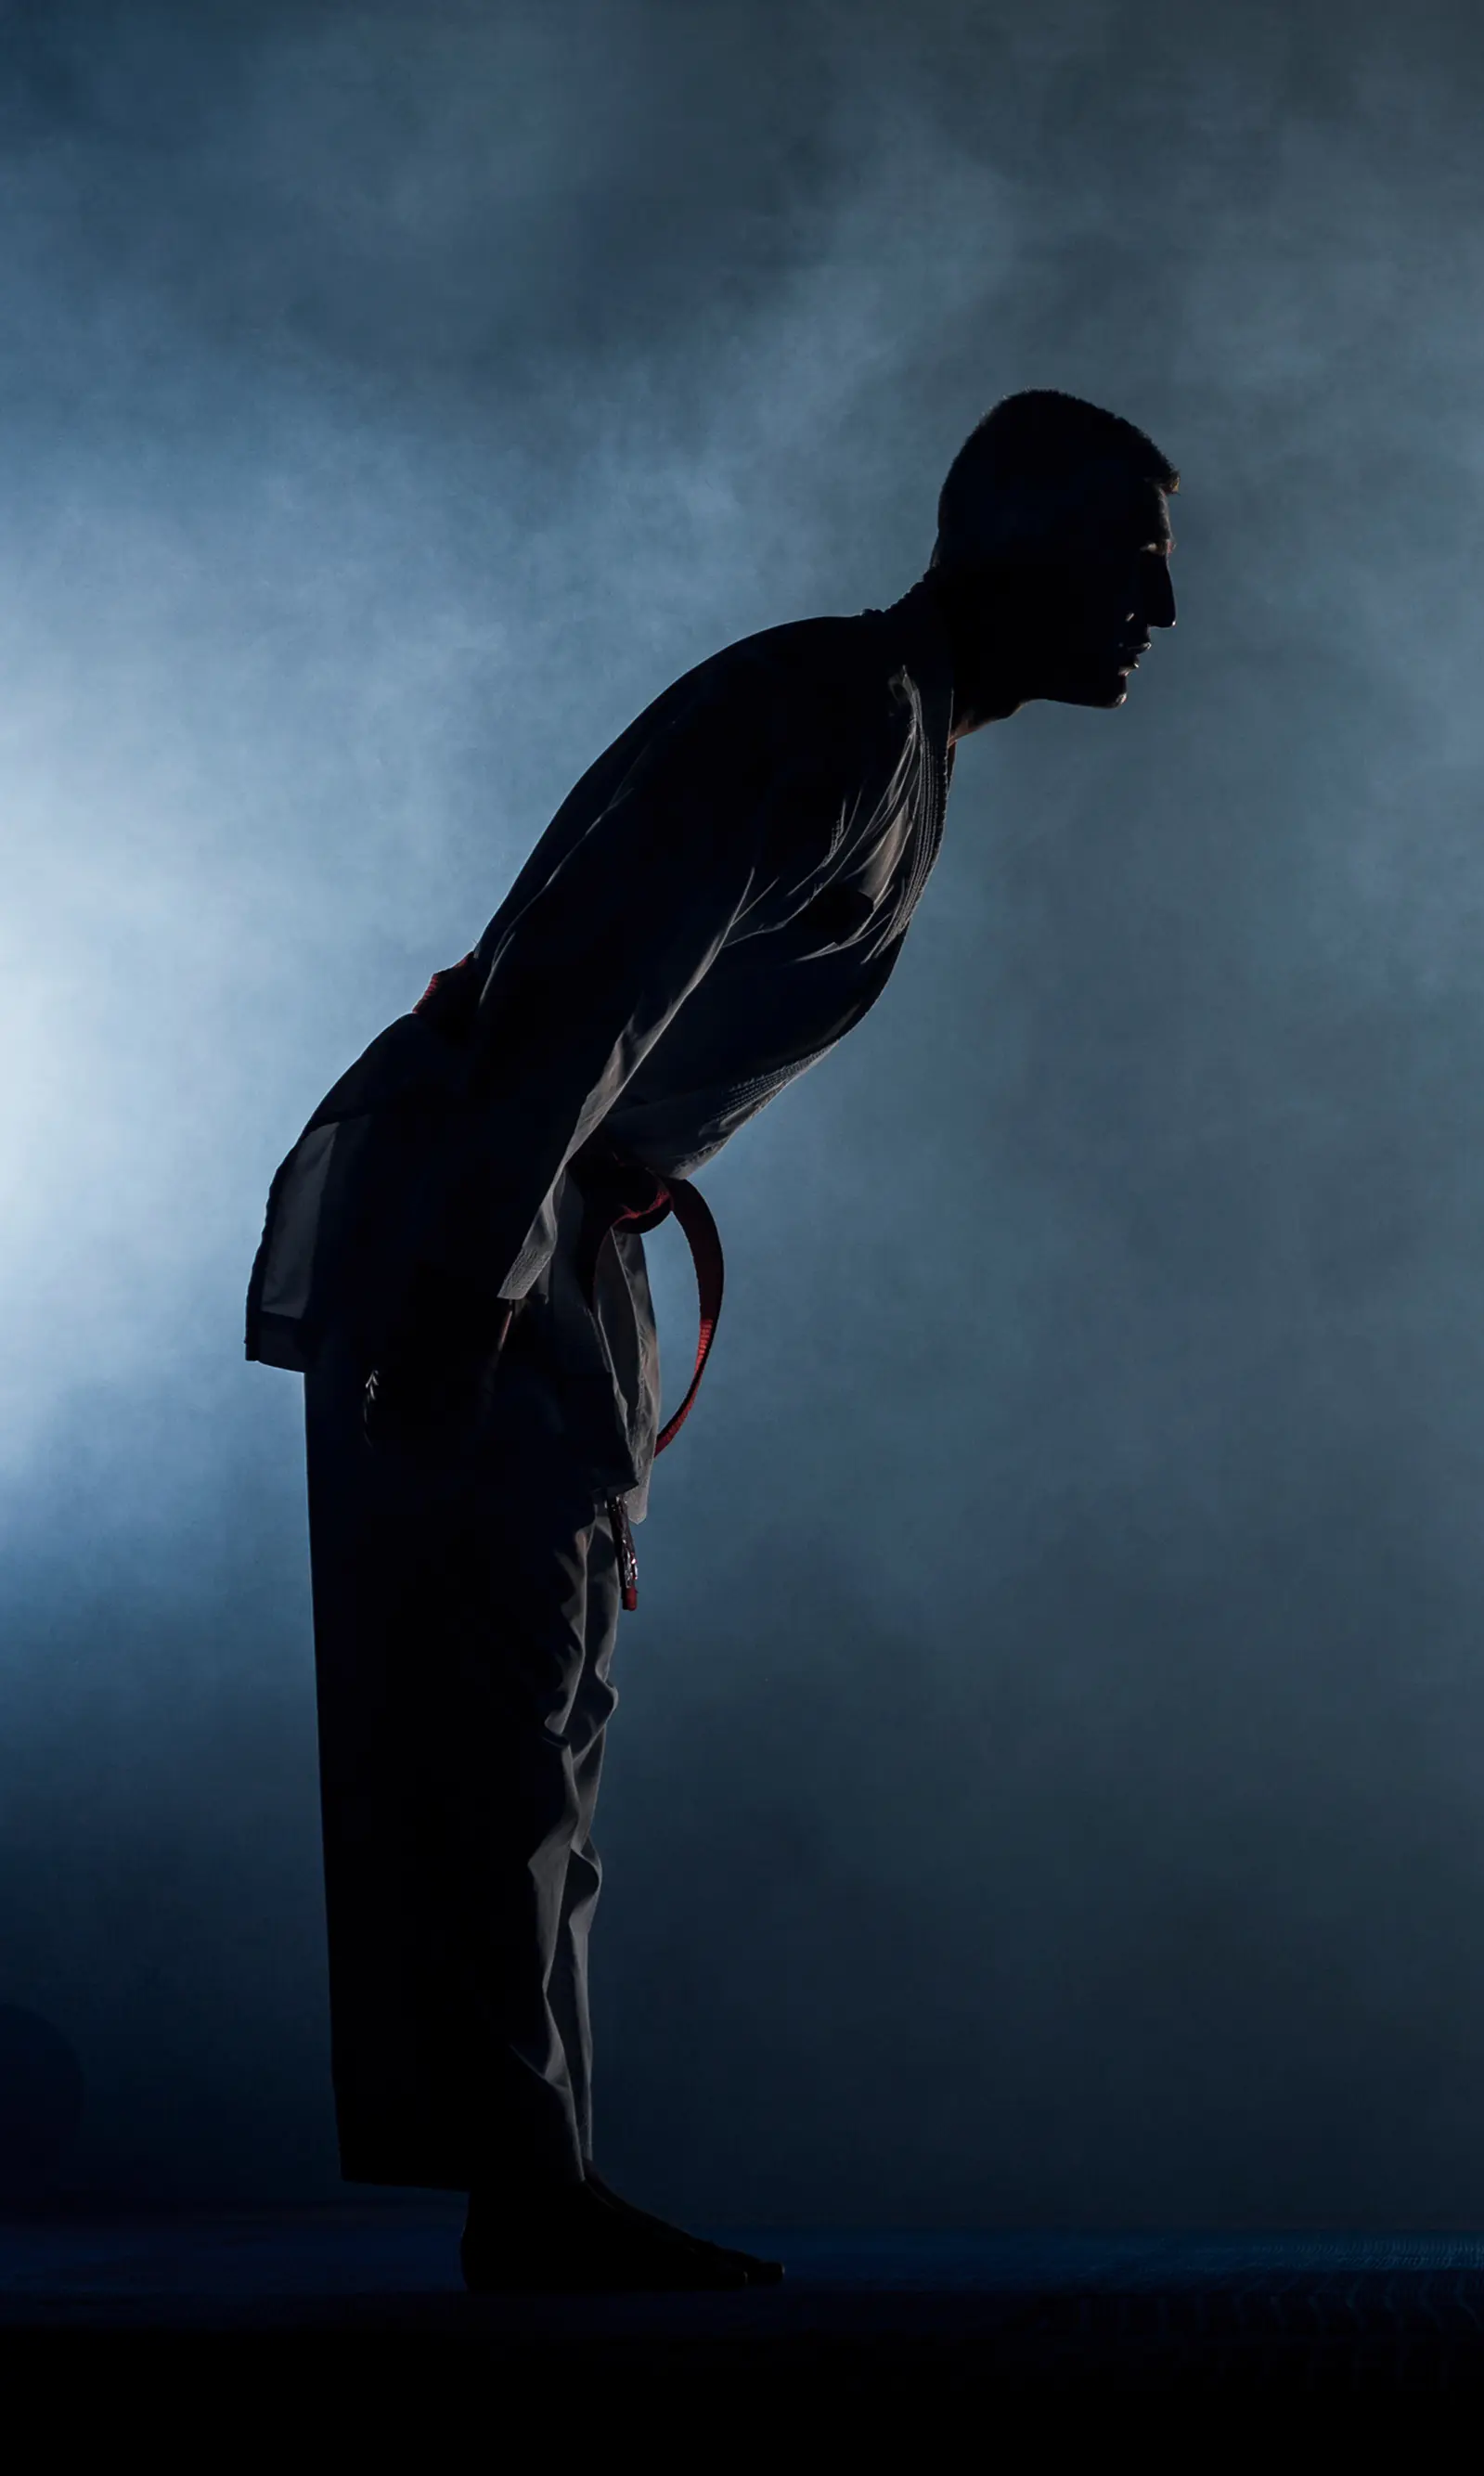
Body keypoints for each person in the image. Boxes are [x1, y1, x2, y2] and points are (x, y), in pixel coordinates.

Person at [245, 390, 1180, 2291]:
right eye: (1132, 566)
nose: (1160, 612)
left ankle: (536, 2170)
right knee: (495, 1702)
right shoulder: (828, 715)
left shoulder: (894, 731)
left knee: (543, 1698)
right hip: (485, 1193)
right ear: (1014, 543)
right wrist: (463, 1294)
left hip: (553, 1210)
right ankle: (526, 2184)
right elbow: (582, 1005)